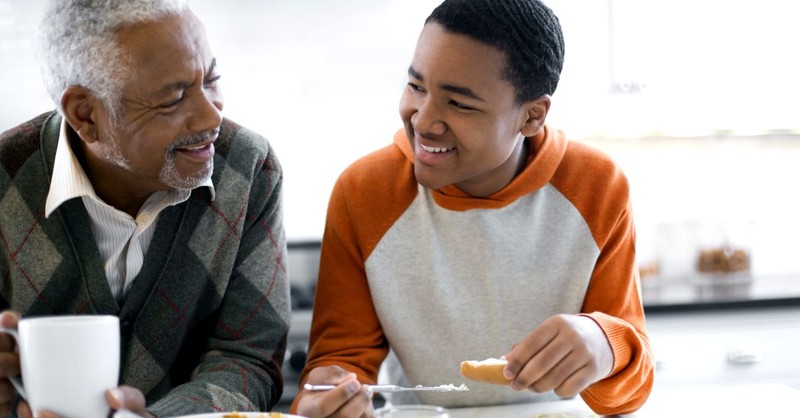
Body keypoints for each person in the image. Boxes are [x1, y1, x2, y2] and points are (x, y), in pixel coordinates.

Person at [292, 0, 653, 416]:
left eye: (460, 104)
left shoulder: (598, 187)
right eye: (417, 87)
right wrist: (330, 394)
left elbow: (631, 389)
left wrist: (605, 345)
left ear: (532, 116)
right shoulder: (363, 192)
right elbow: (339, 360)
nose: (424, 121)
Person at [0, 1, 290, 417]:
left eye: (211, 80)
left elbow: (248, 359)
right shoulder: (6, 177)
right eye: (174, 99)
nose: (212, 115)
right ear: (86, 115)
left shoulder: (247, 169)